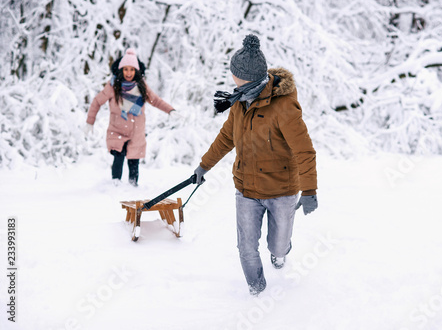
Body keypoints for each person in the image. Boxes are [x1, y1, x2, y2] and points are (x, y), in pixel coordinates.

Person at [193, 34, 318, 295]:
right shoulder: (239, 102)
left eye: (237, 77)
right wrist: (204, 166)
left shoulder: (284, 106)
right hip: (246, 189)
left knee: (278, 245)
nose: (233, 81)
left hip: (281, 190)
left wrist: (309, 191)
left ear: (249, 78)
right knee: (246, 247)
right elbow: (226, 137)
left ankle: (281, 253)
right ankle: (256, 293)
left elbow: (304, 150)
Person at [85, 48, 177, 186]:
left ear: (137, 71)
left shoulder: (142, 87)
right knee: (118, 156)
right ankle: (115, 185)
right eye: (126, 69)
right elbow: (97, 102)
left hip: (136, 131)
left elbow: (156, 101)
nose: (129, 73)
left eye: (132, 69)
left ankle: (133, 187)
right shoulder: (112, 86)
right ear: (121, 70)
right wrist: (89, 122)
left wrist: (171, 110)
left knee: (134, 160)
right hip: (117, 130)